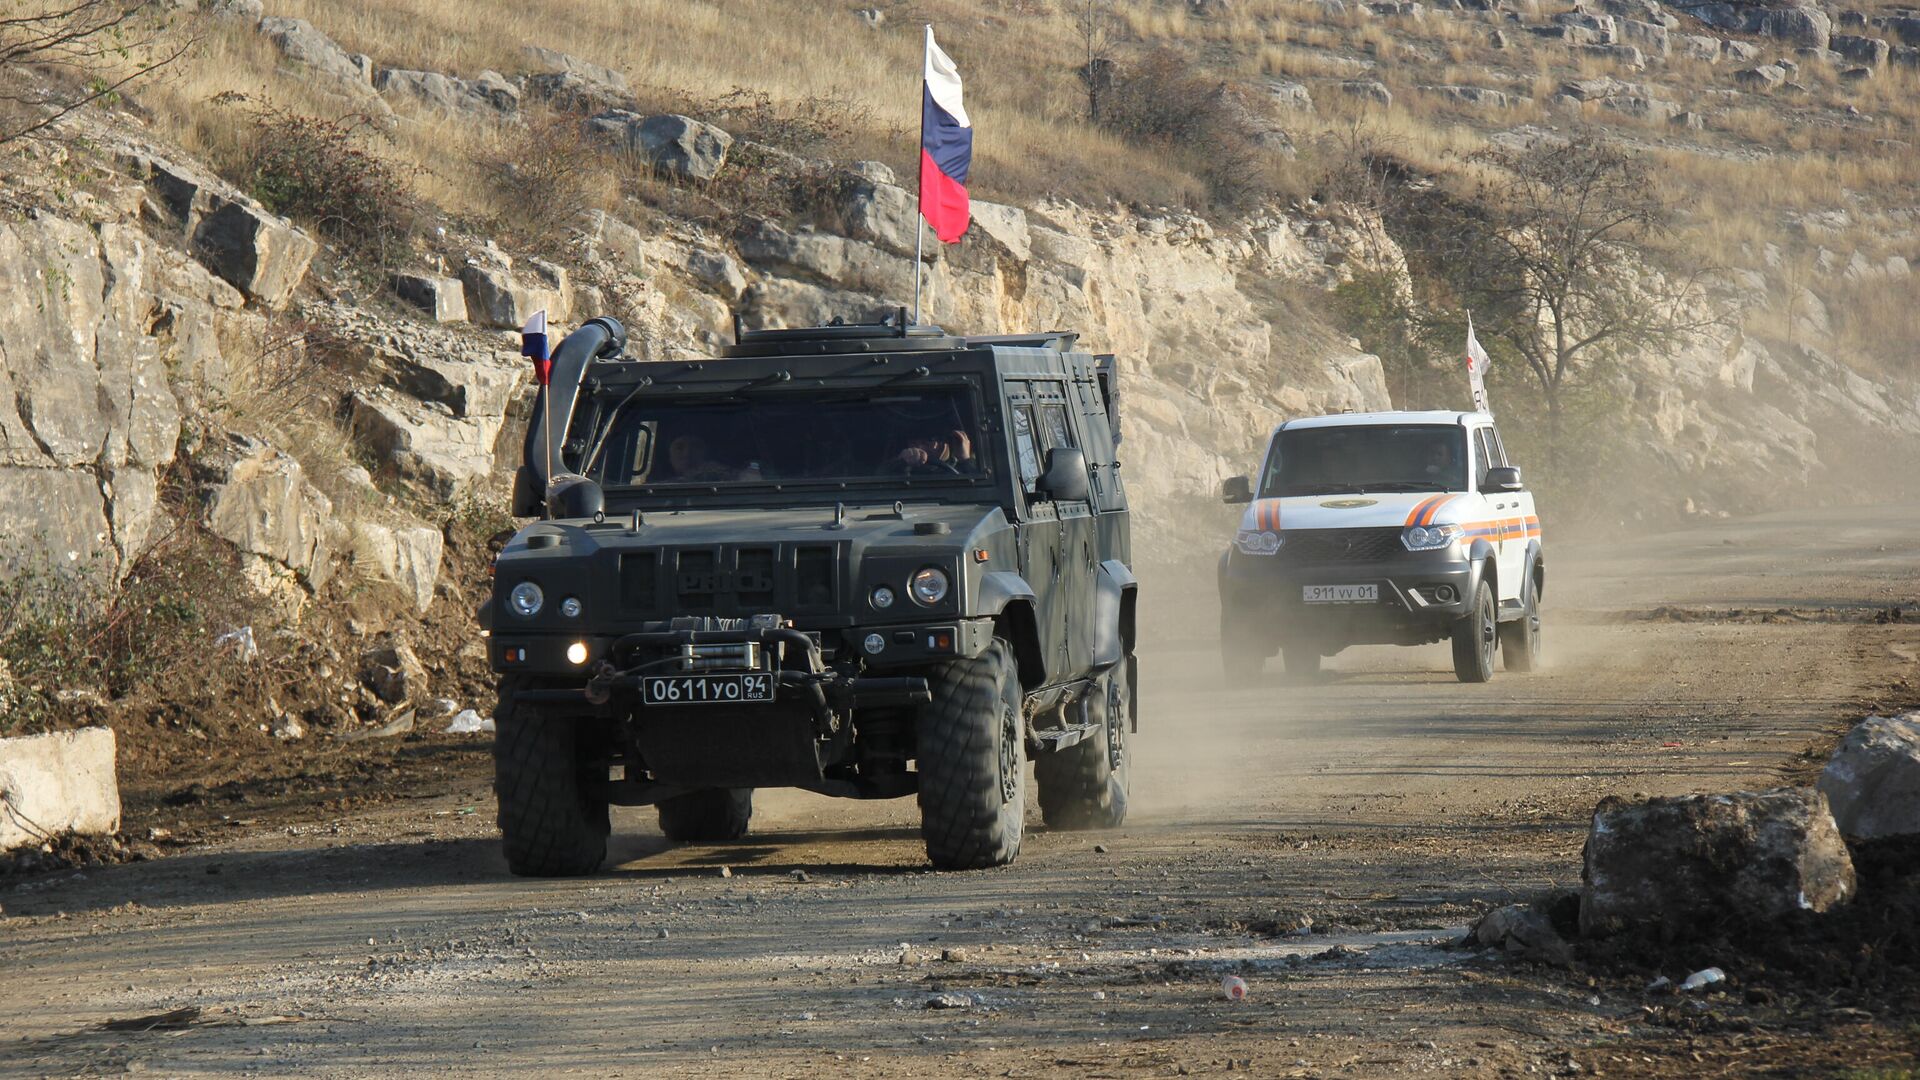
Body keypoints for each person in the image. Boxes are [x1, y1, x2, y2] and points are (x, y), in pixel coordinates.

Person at [895, 427, 976, 475]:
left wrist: (965, 460)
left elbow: (976, 493)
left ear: (944, 443)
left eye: (927, 441)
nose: (919, 447)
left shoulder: (961, 470)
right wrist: (900, 463)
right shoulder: (900, 470)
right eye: (913, 442)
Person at [667, 434, 740, 482]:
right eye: (679, 448)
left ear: (706, 452)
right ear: (669, 456)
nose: (687, 453)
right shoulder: (657, 484)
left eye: (695, 446)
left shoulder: (722, 475)